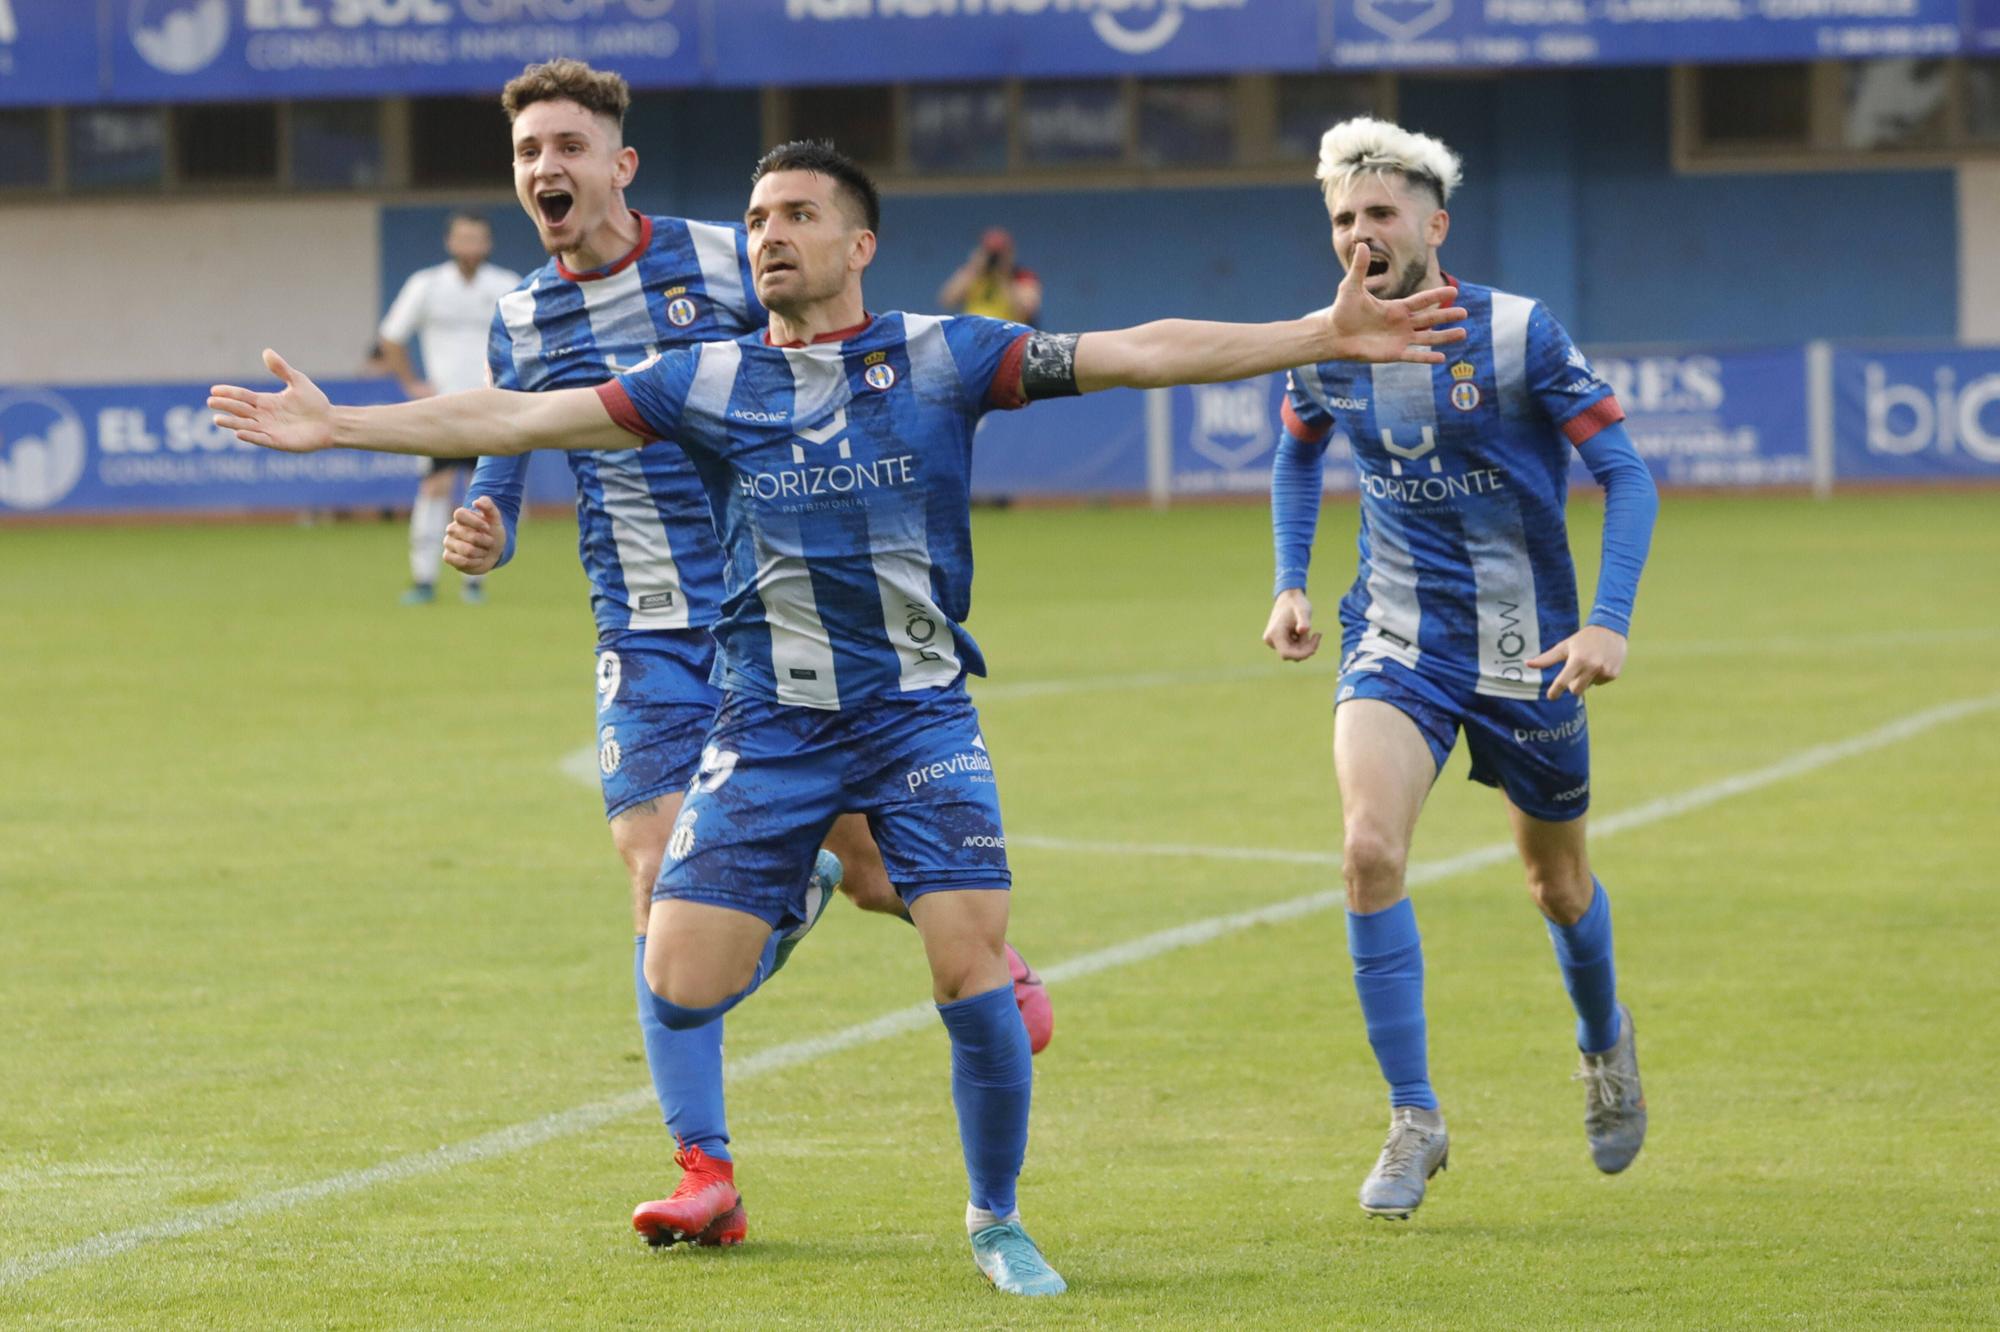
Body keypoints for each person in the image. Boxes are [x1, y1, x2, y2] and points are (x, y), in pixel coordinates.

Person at [210, 139, 1467, 1296]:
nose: (769, 234)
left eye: (799, 216)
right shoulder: (706, 377)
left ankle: (995, 1218)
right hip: (766, 726)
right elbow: (516, 415)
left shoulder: (942, 354)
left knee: (969, 964)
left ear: (858, 244)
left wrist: (1317, 331)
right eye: (758, 217)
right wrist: (343, 428)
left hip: (918, 720)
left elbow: (1136, 350)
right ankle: (792, 906)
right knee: (677, 981)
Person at [399, 60, 1053, 1253]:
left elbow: (818, 366)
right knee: (650, 878)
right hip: (644, 627)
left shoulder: (724, 258)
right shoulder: (521, 315)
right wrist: (487, 519)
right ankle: (704, 1172)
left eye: (565, 146)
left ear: (618, 164)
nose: (544, 168)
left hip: (782, 618)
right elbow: (509, 435)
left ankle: (983, 963)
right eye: (528, 151)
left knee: (873, 875)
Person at [1260, 117, 1660, 1220]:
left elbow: (1626, 475)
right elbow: (1295, 452)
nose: (1360, 234)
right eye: (1343, 217)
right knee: (1366, 850)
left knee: (1555, 885)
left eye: (1381, 214)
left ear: (1434, 226)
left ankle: (1602, 1042)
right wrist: (1290, 580)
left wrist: (1607, 622)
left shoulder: (1519, 333)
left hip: (1531, 653)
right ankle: (1413, 1117)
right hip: (1395, 639)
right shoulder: (1323, 342)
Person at [377, 210, 519, 605]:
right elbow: (391, 336)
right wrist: (412, 383)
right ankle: (424, 579)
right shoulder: (427, 285)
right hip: (443, 408)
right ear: (450, 242)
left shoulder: (506, 285)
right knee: (434, 486)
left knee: (482, 494)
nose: (470, 245)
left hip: (490, 407)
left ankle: (474, 581)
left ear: (487, 243)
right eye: (463, 237)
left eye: (477, 238)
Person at [938, 227, 1041, 325]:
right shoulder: (973, 275)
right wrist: (973, 267)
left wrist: (1004, 275)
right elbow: (947, 300)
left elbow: (1028, 311)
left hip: (1007, 333)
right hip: (974, 331)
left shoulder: (1022, 276)